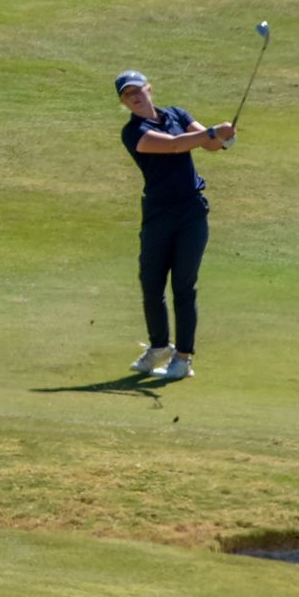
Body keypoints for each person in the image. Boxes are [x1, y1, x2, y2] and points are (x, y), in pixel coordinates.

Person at [116, 69, 236, 380]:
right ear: (125, 103)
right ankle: (159, 347)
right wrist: (212, 132)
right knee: (151, 283)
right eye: (128, 95)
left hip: (191, 212)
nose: (135, 96)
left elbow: (207, 146)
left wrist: (223, 138)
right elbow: (173, 145)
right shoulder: (133, 132)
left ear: (149, 89)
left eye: (138, 90)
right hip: (157, 213)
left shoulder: (177, 114)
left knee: (184, 285)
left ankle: (182, 359)